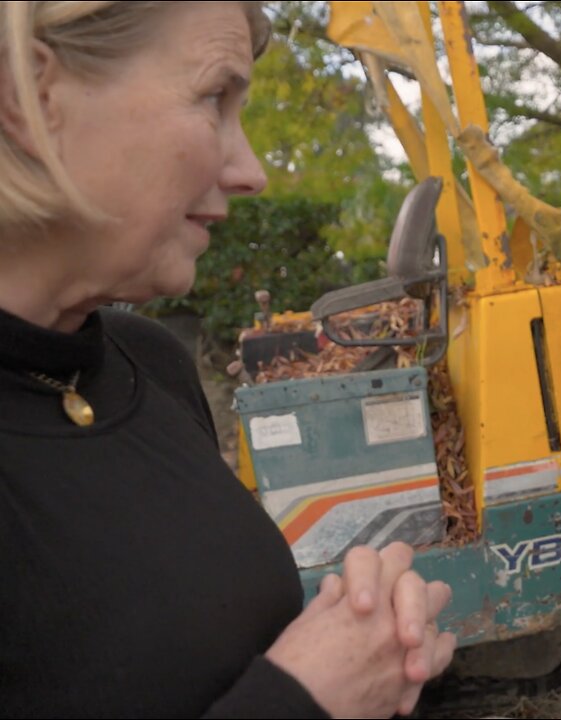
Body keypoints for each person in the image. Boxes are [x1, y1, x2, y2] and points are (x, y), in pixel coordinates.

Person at [0, 2, 456, 717]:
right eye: (215, 96)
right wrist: (305, 699)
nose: (251, 171)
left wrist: (357, 645)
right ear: (29, 95)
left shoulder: (148, 364)